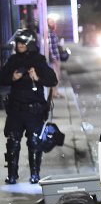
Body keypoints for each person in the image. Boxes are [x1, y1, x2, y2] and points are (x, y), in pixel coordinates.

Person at [0, 29, 59, 184]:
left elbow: (52, 80)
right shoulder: (13, 60)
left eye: (23, 42)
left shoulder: (38, 60)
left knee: (34, 142)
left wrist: (37, 77)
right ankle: (12, 175)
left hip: (34, 110)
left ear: (30, 43)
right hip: (16, 109)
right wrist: (13, 77)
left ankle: (35, 174)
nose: (20, 45)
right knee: (13, 142)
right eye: (18, 42)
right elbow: (3, 78)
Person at [46, 17, 65, 99]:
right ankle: (54, 93)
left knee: (58, 75)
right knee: (55, 76)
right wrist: (53, 57)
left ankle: (56, 91)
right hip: (54, 58)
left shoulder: (52, 32)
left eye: (53, 21)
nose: (53, 22)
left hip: (57, 56)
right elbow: (49, 46)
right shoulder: (49, 33)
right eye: (50, 21)